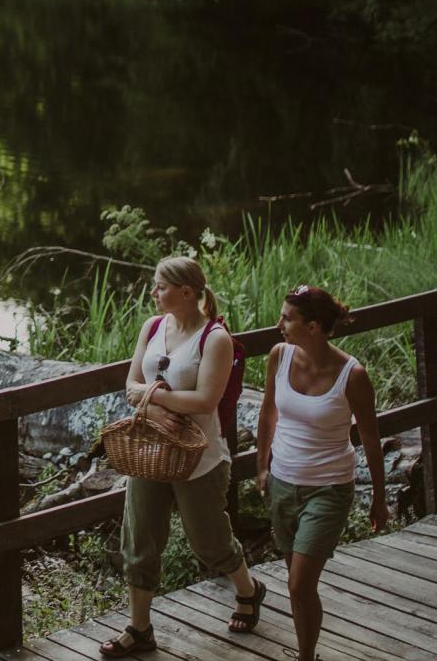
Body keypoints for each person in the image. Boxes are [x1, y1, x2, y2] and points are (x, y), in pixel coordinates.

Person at [101, 256, 265, 658]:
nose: (154, 293)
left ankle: (248, 589)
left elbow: (205, 400)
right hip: (148, 453)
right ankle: (139, 629)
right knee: (139, 541)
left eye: (160, 287)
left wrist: (152, 395)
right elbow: (130, 384)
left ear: (186, 292)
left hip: (200, 458)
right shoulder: (152, 327)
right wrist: (156, 400)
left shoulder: (215, 339)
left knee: (209, 544)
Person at [255, 284, 389, 661]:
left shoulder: (352, 374)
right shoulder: (279, 356)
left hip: (328, 489)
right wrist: (262, 466)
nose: (279, 323)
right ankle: (306, 654)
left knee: (299, 584)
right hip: (283, 482)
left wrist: (379, 498)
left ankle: (305, 657)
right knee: (296, 583)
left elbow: (371, 439)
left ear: (313, 326)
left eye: (287, 318)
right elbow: (268, 411)